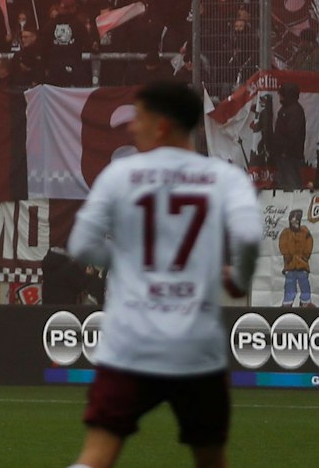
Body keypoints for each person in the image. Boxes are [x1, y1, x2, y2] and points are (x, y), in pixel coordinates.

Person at [60, 81, 264, 468]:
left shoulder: (121, 176)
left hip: (130, 345)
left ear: (163, 126)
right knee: (210, 459)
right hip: (196, 347)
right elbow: (250, 237)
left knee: (98, 455)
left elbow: (82, 244)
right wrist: (237, 278)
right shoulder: (225, 178)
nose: (132, 127)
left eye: (140, 118)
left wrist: (124, 260)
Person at [271, 84, 306, 190]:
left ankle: (297, 203)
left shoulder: (295, 111)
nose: (280, 98)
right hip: (283, 153)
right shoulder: (286, 109)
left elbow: (293, 134)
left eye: (281, 95)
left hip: (290, 154)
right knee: (283, 182)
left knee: (292, 181)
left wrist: (285, 150)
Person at [278, 208, 313, 307]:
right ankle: (287, 304)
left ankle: (306, 303)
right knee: (290, 286)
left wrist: (305, 257)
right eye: (293, 220)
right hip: (290, 266)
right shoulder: (285, 232)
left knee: (305, 285)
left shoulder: (305, 231)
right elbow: (282, 245)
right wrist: (288, 257)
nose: (295, 222)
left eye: (297, 220)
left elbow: (309, 243)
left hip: (302, 265)